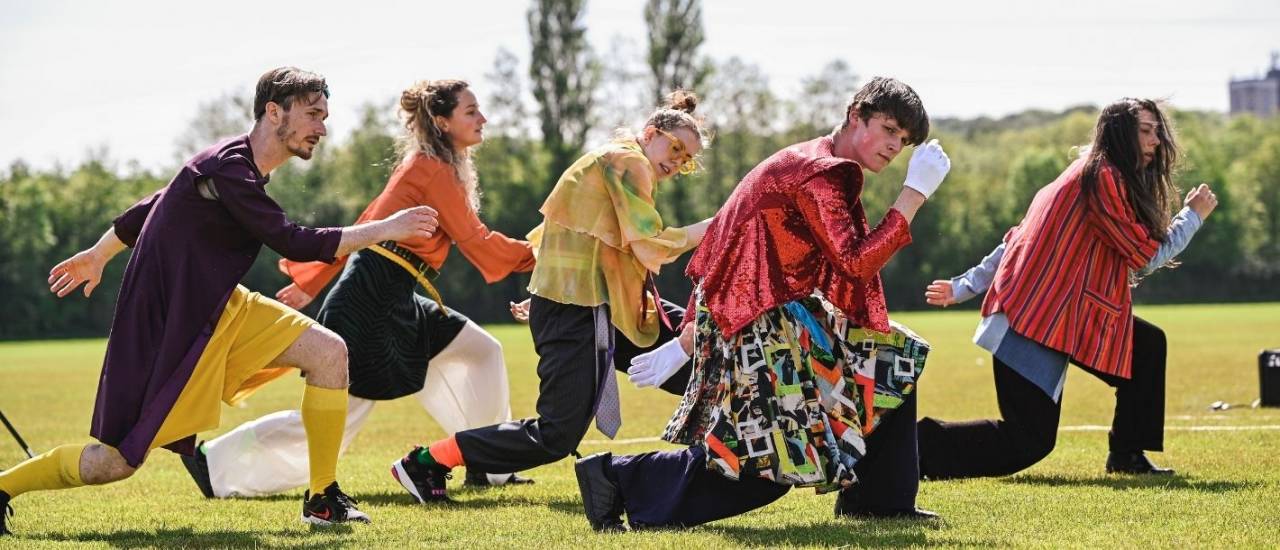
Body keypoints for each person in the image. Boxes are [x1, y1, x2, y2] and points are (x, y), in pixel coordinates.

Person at [0, 67, 443, 535]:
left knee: (328, 352)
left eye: (324, 116)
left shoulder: (232, 167)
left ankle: (322, 498)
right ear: (275, 112)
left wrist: (97, 254)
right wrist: (387, 228)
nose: (322, 128)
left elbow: (152, 205)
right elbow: (292, 241)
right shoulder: (229, 166)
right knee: (114, 463)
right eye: (312, 114)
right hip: (173, 326)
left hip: (222, 306)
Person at [573, 77, 952, 531]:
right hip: (758, 320)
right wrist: (913, 196)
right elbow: (854, 263)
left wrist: (692, 331)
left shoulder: (814, 159)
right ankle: (613, 479)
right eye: (890, 129)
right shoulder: (823, 170)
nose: (896, 146)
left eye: (905, 141)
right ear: (856, 116)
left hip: (770, 312)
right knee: (764, 465)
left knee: (891, 360)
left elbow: (721, 243)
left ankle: (881, 500)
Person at [180, 79, 536, 500]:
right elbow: (475, 240)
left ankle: (489, 464)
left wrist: (312, 282)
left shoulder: (435, 167)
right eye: (471, 111)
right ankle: (213, 463)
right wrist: (542, 252)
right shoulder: (430, 169)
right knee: (340, 417)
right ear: (442, 122)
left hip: (399, 294)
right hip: (370, 300)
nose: (483, 119)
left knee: (481, 352)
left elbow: (367, 221)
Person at [387, 90, 713, 504]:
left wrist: (544, 292)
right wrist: (714, 225)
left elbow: (562, 235)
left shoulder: (617, 159)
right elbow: (647, 240)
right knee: (558, 434)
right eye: (676, 148)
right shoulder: (627, 161)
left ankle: (724, 464)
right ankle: (426, 460)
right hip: (578, 312)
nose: (678, 161)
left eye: (686, 159)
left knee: (704, 362)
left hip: (603, 305)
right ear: (651, 134)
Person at [915, 98, 1218, 480]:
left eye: (1157, 131)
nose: (1156, 140)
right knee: (1028, 442)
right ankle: (911, 448)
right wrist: (1192, 217)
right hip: (1031, 322)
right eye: (1146, 130)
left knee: (1147, 347)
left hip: (1058, 316)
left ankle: (1126, 455)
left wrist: (963, 287)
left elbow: (1015, 240)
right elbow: (1144, 256)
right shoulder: (1100, 177)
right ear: (1120, 133)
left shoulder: (1088, 172)